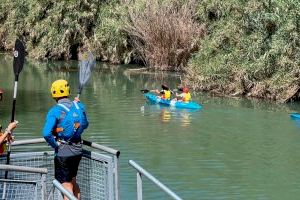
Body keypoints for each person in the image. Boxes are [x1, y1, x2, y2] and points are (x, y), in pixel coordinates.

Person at [42, 79, 89, 200]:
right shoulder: (78, 106)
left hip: (64, 152)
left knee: (66, 185)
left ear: (53, 93)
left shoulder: (55, 111)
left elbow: (46, 133)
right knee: (73, 181)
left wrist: (55, 145)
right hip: (78, 150)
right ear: (68, 91)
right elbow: (85, 124)